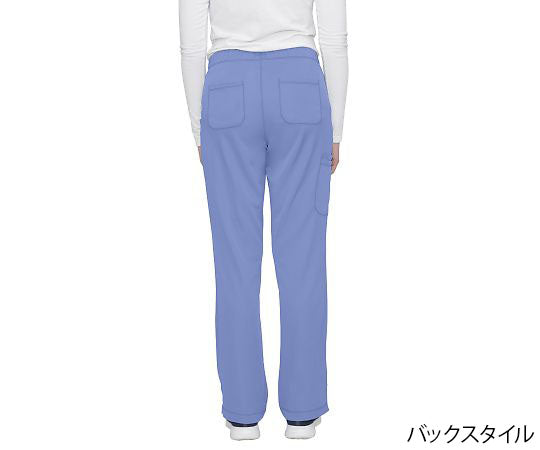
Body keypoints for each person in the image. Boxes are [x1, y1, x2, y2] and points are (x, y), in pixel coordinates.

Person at [179, 0, 348, 440]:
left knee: (235, 264)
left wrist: (199, 129)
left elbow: (192, 45)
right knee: (302, 262)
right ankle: (302, 414)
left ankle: (242, 415)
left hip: (227, 91)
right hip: (300, 87)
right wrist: (335, 130)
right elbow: (334, 38)